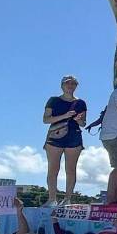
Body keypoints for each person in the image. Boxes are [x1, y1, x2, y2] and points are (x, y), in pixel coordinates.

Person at [43, 75, 87, 205]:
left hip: (74, 137)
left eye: (73, 83)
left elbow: (83, 123)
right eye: (68, 83)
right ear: (62, 85)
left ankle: (67, 199)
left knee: (71, 169)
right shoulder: (53, 100)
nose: (70, 86)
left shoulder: (81, 103)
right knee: (53, 168)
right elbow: (46, 119)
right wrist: (64, 116)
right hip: (55, 136)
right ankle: (52, 199)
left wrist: (78, 120)